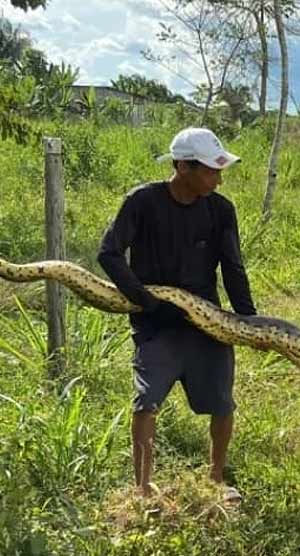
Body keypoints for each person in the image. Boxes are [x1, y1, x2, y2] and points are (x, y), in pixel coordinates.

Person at [98, 127, 257, 502]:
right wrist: (146, 301)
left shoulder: (220, 210)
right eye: (212, 171)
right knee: (146, 402)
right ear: (183, 167)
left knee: (222, 402)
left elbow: (233, 269)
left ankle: (216, 479)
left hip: (207, 323)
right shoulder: (142, 202)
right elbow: (109, 253)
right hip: (156, 324)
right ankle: (142, 490)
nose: (218, 180)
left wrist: (250, 323)